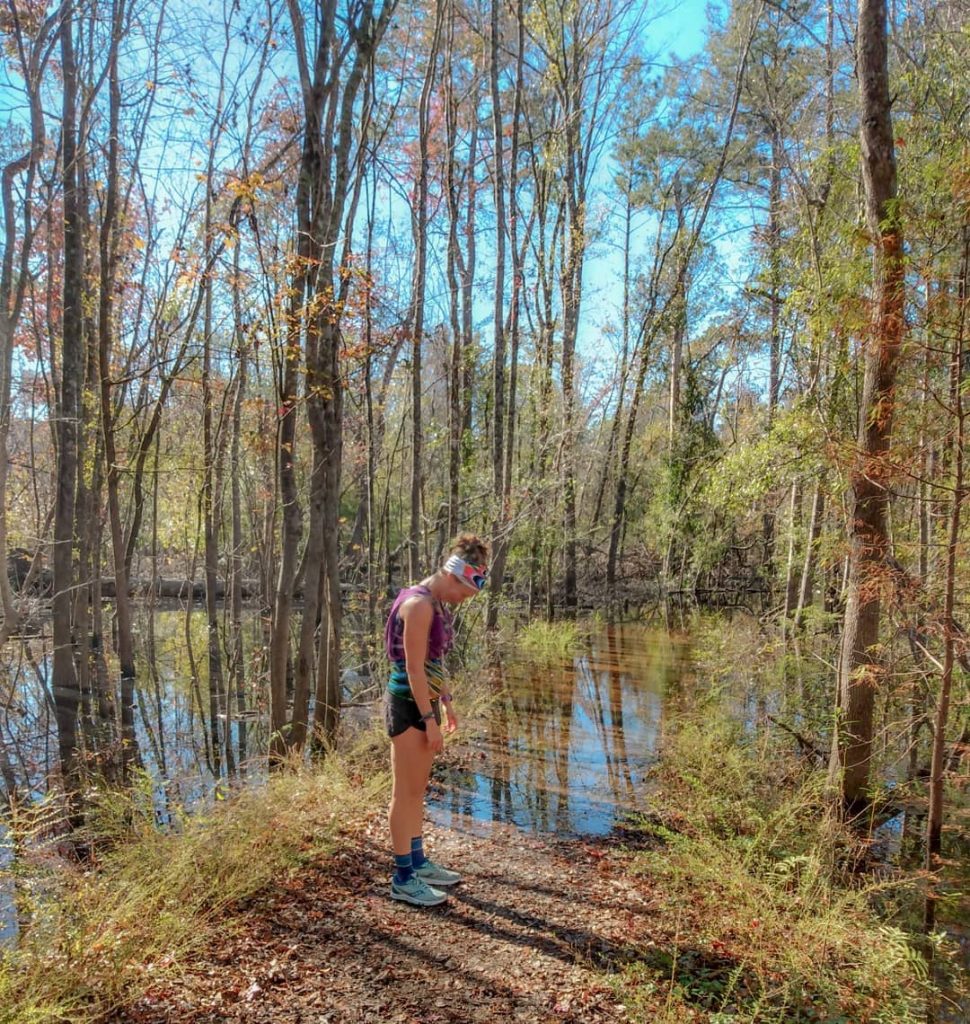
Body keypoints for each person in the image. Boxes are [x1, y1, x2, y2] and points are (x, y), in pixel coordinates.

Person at [384, 533, 489, 907]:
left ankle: (417, 862)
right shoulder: (418, 605)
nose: (463, 601)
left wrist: (446, 702)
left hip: (425, 705)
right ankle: (402, 878)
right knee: (404, 793)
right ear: (453, 576)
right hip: (407, 706)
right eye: (463, 593)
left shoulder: (435, 604)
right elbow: (412, 669)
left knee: (416, 793)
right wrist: (428, 718)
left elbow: (434, 661)